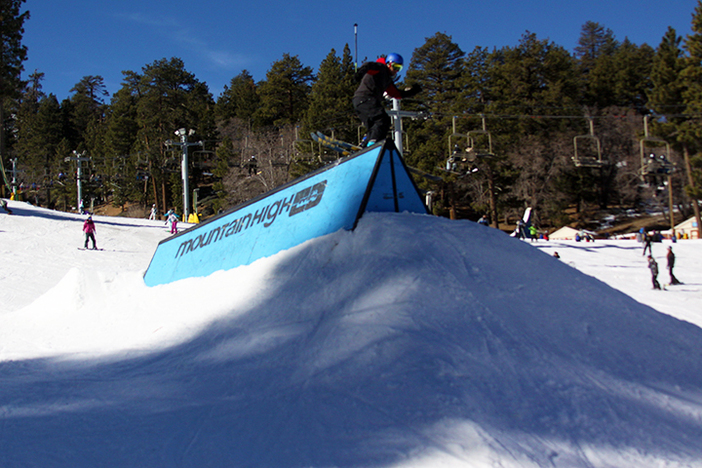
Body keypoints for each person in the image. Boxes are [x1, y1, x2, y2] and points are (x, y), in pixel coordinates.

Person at [353, 53, 422, 146]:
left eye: (399, 68)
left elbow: (397, 94)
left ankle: (364, 145)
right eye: (395, 67)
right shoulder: (380, 68)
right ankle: (373, 143)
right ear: (389, 63)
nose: (396, 71)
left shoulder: (387, 80)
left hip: (359, 101)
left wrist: (413, 91)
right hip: (366, 98)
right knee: (383, 120)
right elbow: (369, 66)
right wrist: (359, 73)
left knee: (374, 127)